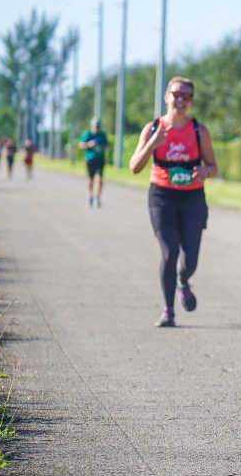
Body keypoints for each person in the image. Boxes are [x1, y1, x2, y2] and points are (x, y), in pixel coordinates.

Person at [129, 76, 217, 328]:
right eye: (176, 94)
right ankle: (168, 310)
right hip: (162, 196)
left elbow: (214, 167)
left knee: (190, 261)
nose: (180, 99)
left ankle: (183, 280)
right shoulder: (153, 128)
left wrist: (205, 172)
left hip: (192, 198)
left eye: (186, 96)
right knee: (170, 252)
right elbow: (135, 167)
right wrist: (152, 144)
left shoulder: (199, 131)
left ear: (190, 102)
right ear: (166, 97)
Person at [79, 118, 109, 207]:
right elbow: (80, 145)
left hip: (100, 160)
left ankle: (97, 198)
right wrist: (89, 144)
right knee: (90, 179)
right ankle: (90, 196)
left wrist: (101, 145)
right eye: (95, 126)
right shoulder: (87, 134)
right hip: (90, 160)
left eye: (98, 126)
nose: (97, 128)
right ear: (92, 126)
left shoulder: (102, 135)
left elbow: (106, 146)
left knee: (99, 179)